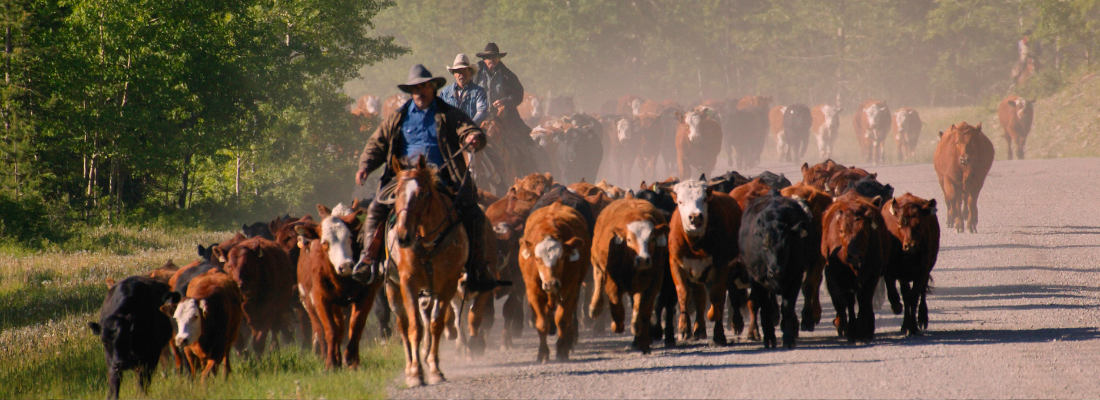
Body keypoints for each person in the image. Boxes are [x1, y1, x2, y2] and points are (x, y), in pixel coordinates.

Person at [353, 64, 501, 292]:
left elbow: (468, 129)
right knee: (376, 209)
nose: (419, 92)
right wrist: (365, 166)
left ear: (433, 88)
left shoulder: (448, 114)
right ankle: (368, 259)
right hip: (403, 177)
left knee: (473, 212)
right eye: (415, 88)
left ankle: (477, 267)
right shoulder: (399, 116)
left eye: (423, 87)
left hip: (443, 175)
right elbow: (377, 143)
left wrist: (473, 137)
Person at [440, 54, 489, 124]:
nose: (462, 74)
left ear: (470, 73)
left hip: (472, 132)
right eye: (459, 71)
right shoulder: (445, 92)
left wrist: (468, 127)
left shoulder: (479, 92)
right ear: (454, 74)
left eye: (465, 71)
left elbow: (481, 112)